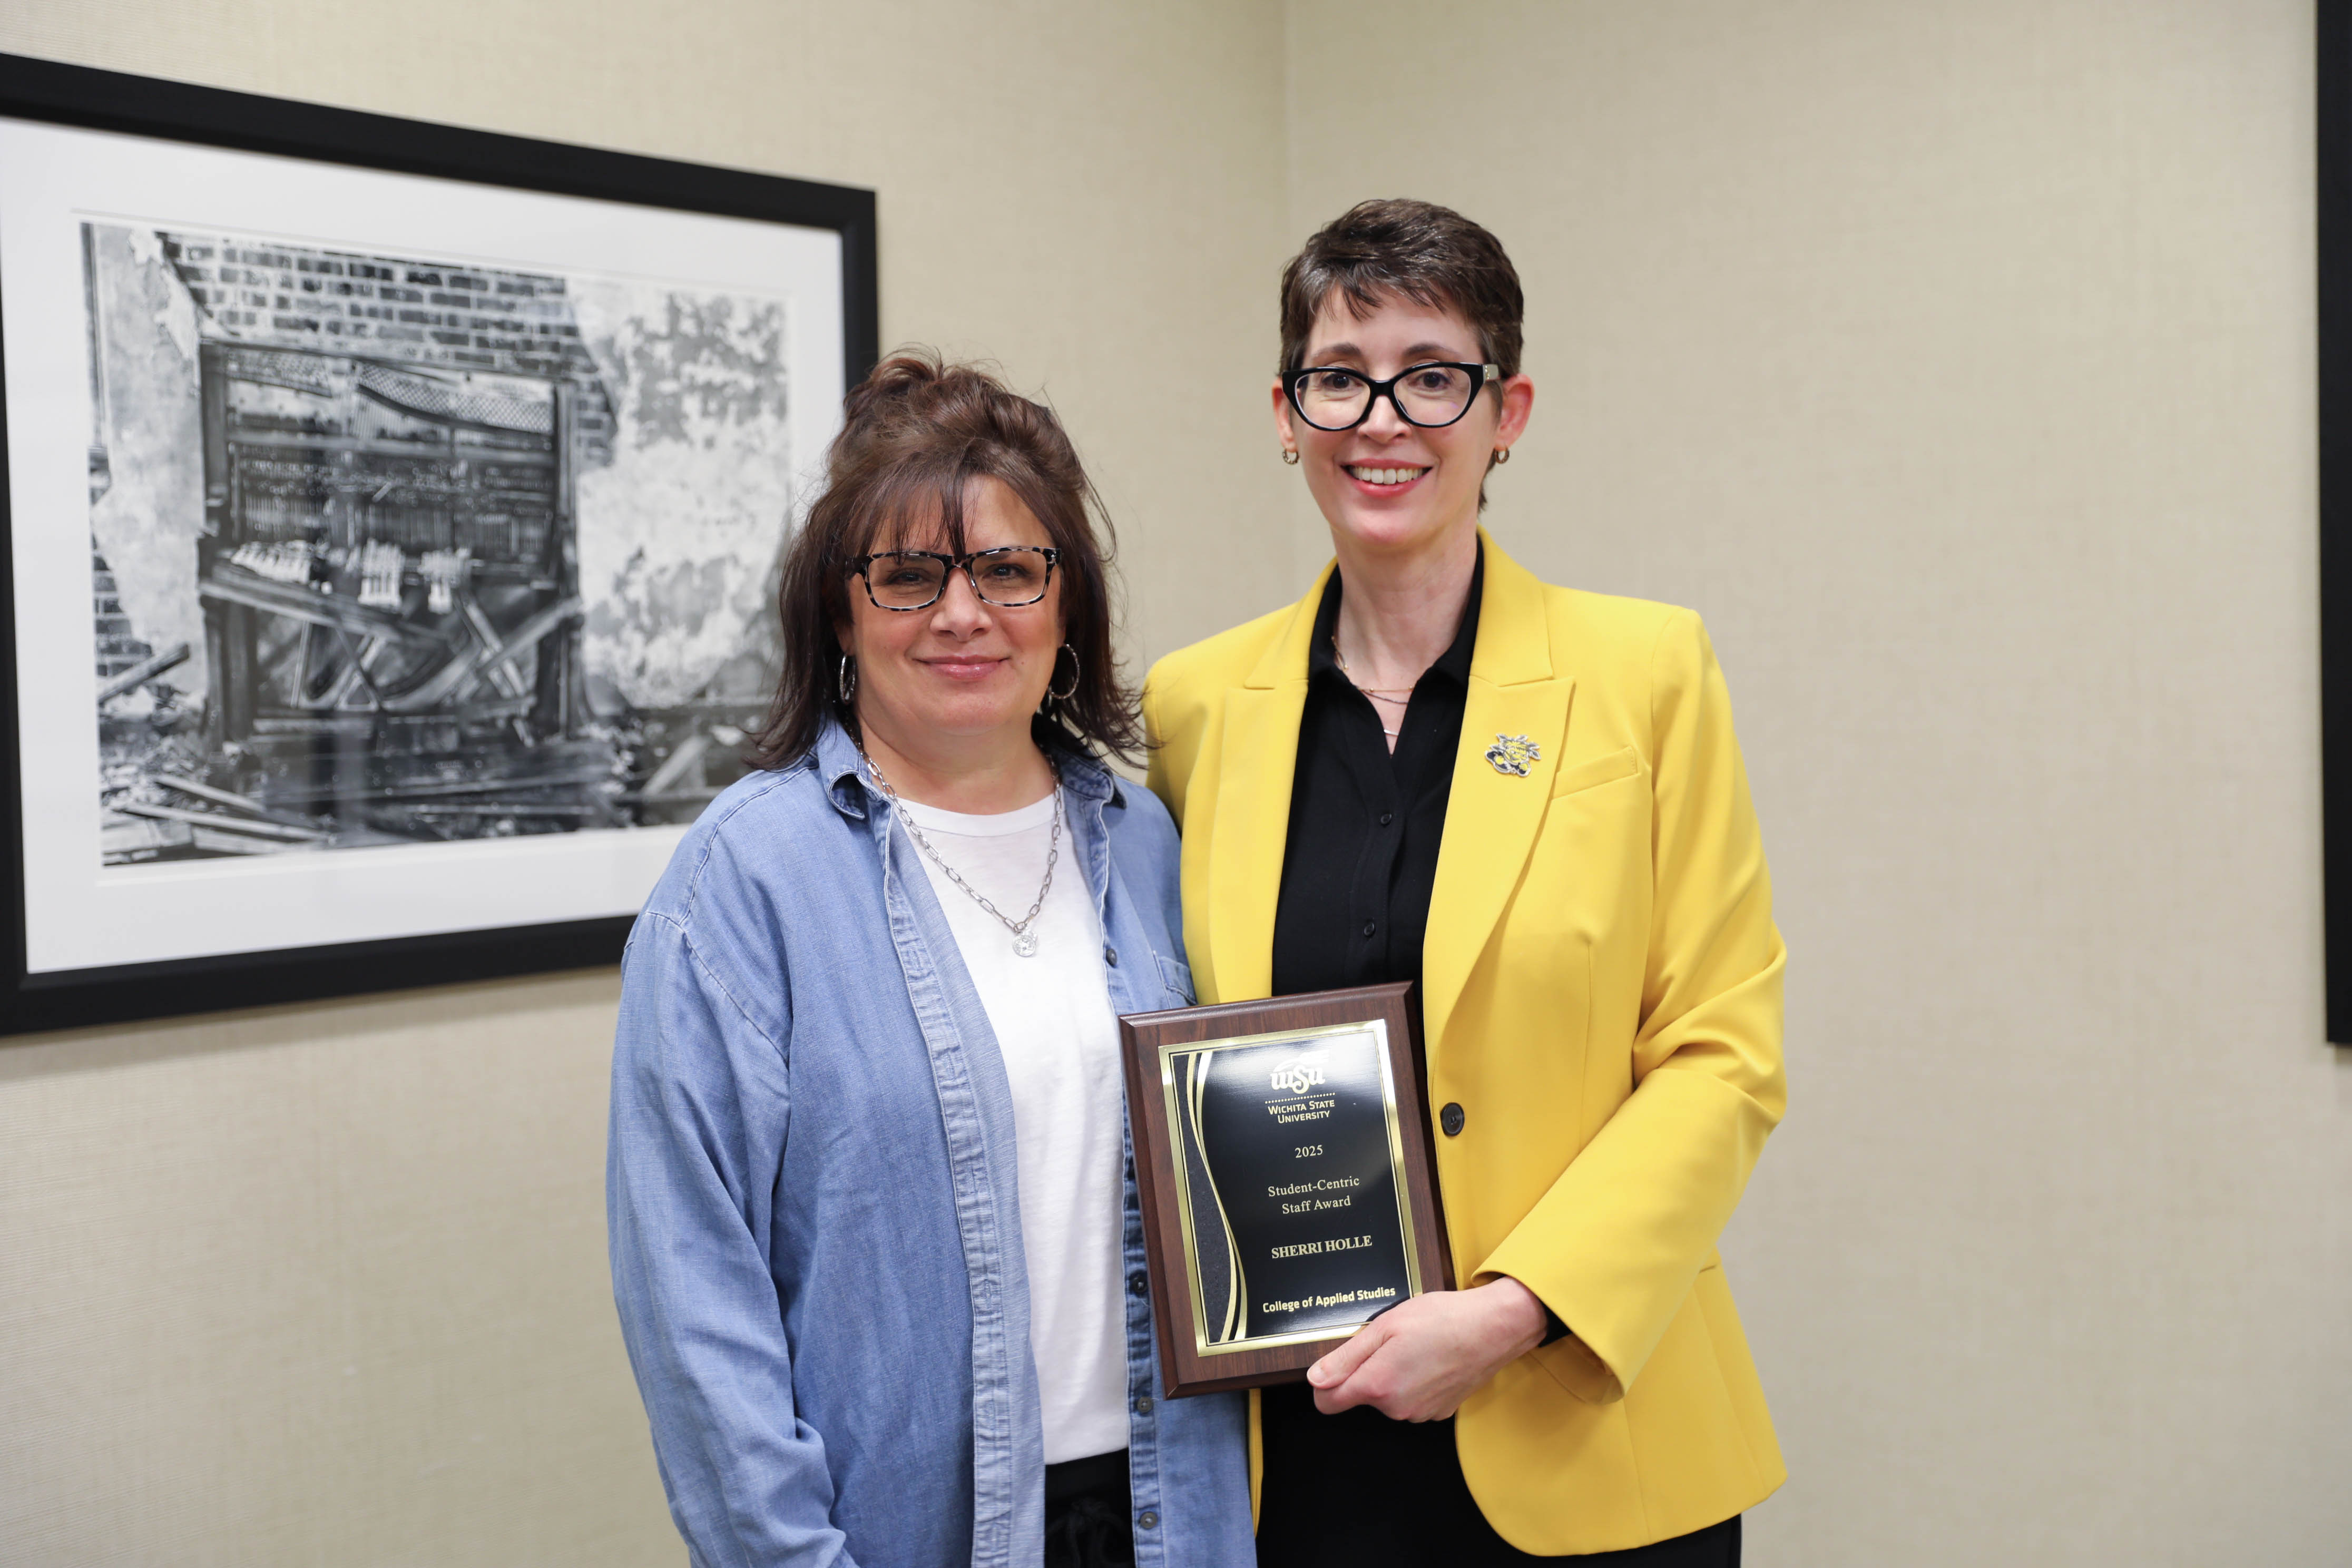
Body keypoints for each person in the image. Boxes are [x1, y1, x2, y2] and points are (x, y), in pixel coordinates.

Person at [1143, 199, 1787, 1563]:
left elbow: (1723, 1056)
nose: (1384, 417)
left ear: (1509, 412)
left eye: (1434, 375)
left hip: (1581, 1422)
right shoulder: (1197, 707)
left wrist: (1508, 1310)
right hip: (1300, 1451)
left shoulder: (1647, 674)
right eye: (1341, 375)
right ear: (1284, 411)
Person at [608, 352, 1253, 1568]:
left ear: (1068, 609)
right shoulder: (746, 884)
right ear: (841, 613)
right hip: (899, 1536)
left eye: (1010, 570)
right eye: (910, 576)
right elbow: (695, 1304)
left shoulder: (1147, 843)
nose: (964, 614)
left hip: (1173, 1508)